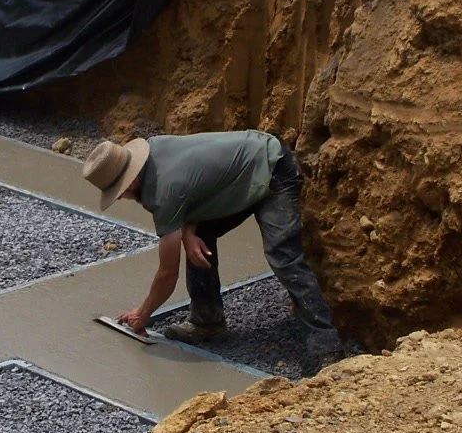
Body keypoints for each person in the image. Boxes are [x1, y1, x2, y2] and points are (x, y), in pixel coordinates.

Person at [81, 130, 343, 359]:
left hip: (273, 167)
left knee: (282, 254)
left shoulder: (163, 191)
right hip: (239, 175)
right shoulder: (155, 151)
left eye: (121, 190)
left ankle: (327, 346)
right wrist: (189, 232)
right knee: (200, 238)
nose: (124, 197)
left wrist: (143, 313)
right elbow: (199, 187)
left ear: (132, 179)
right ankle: (207, 320)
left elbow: (167, 273)